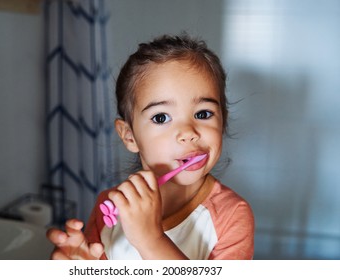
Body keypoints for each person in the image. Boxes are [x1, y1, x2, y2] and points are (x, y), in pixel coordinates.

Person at [46, 34, 255, 260]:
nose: (188, 133)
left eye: (203, 114)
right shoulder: (111, 206)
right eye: (161, 118)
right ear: (130, 137)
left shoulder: (232, 215)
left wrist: (151, 240)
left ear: (222, 120)